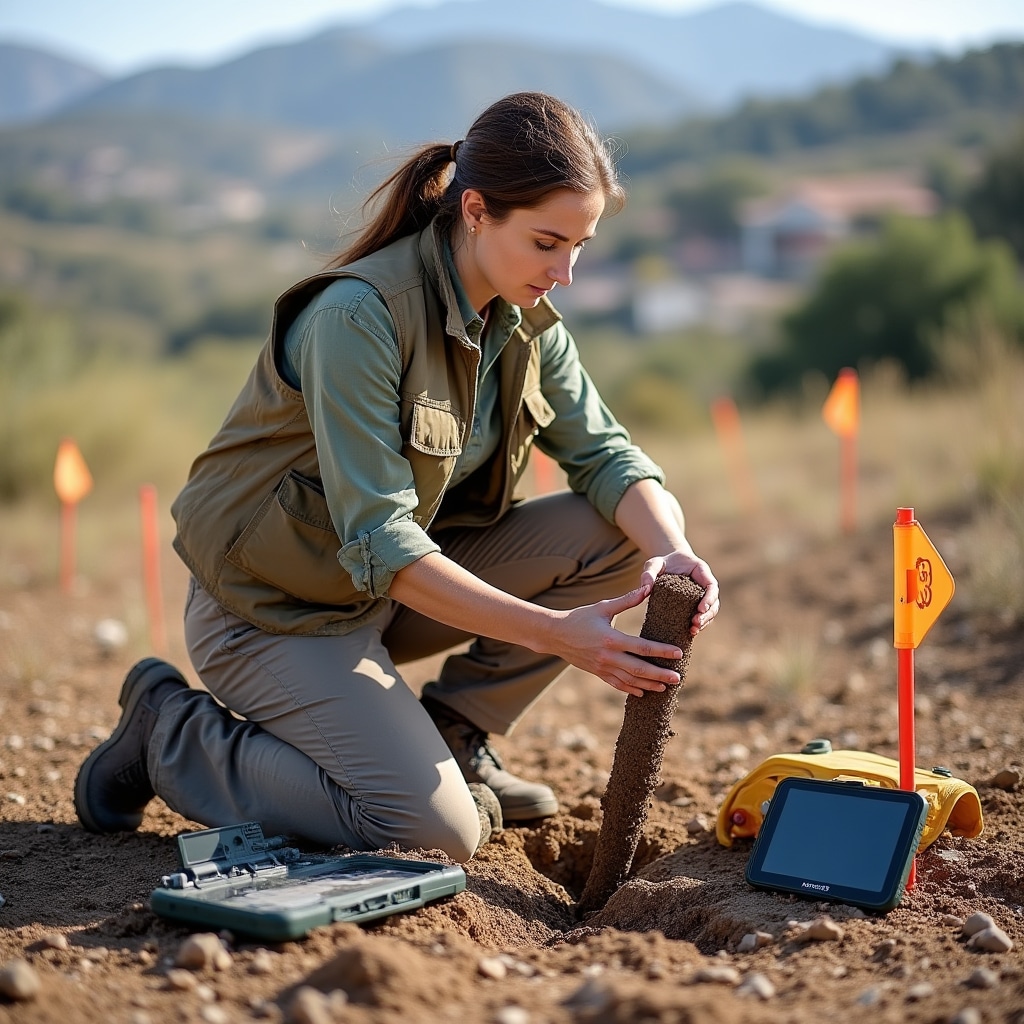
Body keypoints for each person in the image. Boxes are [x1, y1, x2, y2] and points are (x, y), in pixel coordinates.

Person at [74, 91, 720, 863]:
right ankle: (170, 735)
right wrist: (558, 637)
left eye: (579, 246)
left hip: (382, 596)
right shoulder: (359, 318)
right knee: (433, 831)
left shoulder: (524, 316)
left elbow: (610, 456)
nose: (566, 273)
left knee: (617, 536)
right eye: (548, 242)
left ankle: (453, 734)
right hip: (272, 611)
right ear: (475, 211)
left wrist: (675, 550)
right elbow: (383, 540)